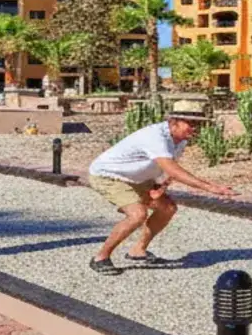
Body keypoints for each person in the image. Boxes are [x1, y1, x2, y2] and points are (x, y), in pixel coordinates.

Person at [87, 99, 237, 274]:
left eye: (199, 124)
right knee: (137, 215)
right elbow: (172, 169)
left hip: (137, 177)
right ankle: (101, 258)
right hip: (109, 175)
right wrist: (211, 188)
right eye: (191, 123)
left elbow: (167, 168)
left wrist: (159, 186)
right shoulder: (155, 137)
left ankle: (138, 251)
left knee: (167, 208)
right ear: (173, 122)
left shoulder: (180, 139)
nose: (196, 128)